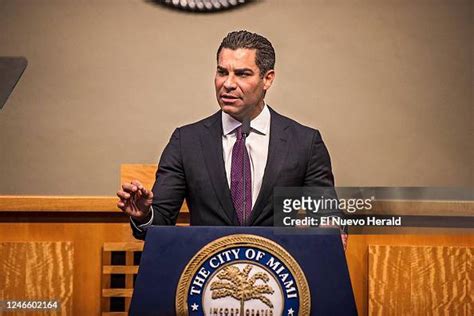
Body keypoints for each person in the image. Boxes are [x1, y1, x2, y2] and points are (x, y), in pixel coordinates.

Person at [117, 30, 345, 247]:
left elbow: (325, 216)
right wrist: (144, 214)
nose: (228, 84)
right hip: (207, 276)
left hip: (279, 277)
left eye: (242, 74)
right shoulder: (186, 141)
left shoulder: (305, 143)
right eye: (222, 72)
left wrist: (331, 227)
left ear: (267, 79)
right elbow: (159, 223)